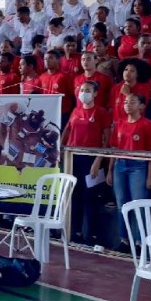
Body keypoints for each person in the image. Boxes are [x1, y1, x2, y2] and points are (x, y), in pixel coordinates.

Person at [107, 93, 151, 253]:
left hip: (138, 166)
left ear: (141, 106)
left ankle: (140, 241)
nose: (128, 105)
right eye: (125, 102)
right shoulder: (119, 123)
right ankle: (124, 239)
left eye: (132, 102)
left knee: (138, 204)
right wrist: (110, 170)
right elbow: (114, 148)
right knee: (122, 204)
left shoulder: (147, 124)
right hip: (120, 165)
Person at [61, 81, 111, 245]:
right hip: (74, 158)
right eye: (82, 90)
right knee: (75, 196)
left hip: (92, 159)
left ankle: (93, 235)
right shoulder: (75, 110)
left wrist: (98, 159)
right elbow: (67, 130)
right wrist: (60, 149)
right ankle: (75, 232)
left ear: (95, 93)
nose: (84, 93)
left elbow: (107, 138)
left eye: (88, 90)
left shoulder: (101, 112)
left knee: (91, 198)